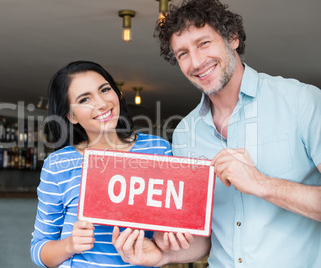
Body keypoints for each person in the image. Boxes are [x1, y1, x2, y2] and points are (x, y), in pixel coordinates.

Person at [112, 0, 321, 267]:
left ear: (232, 38)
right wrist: (162, 255)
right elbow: (206, 238)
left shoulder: (301, 101)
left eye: (204, 43)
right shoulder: (185, 133)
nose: (196, 62)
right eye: (183, 54)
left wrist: (261, 183)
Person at [30, 60, 172, 268]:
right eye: (85, 99)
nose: (102, 103)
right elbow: (38, 249)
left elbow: (175, 223)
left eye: (105, 90)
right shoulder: (58, 164)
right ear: (71, 116)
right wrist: (70, 245)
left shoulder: (158, 149)